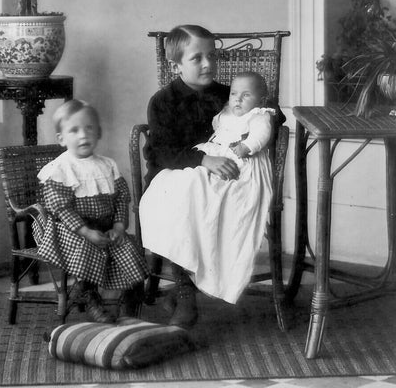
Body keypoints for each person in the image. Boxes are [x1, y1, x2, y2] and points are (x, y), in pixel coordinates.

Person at [139, 25, 284, 329]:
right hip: (176, 168)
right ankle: (183, 288)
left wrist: (260, 111)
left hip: (225, 172)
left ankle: (198, 282)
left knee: (207, 194)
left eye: (212, 56)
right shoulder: (163, 101)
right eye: (197, 58)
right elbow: (160, 151)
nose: (208, 64)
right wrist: (203, 159)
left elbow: (270, 114)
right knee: (180, 195)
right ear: (176, 65)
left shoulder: (226, 94)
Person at [35, 99, 148, 323]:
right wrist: (86, 231)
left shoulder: (107, 165)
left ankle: (129, 303)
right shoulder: (61, 169)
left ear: (99, 133)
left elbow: (121, 199)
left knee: (128, 247)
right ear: (61, 138)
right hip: (69, 229)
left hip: (105, 226)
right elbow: (60, 208)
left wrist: (118, 226)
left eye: (89, 128)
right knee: (89, 247)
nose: (83, 135)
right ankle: (88, 294)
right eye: (74, 130)